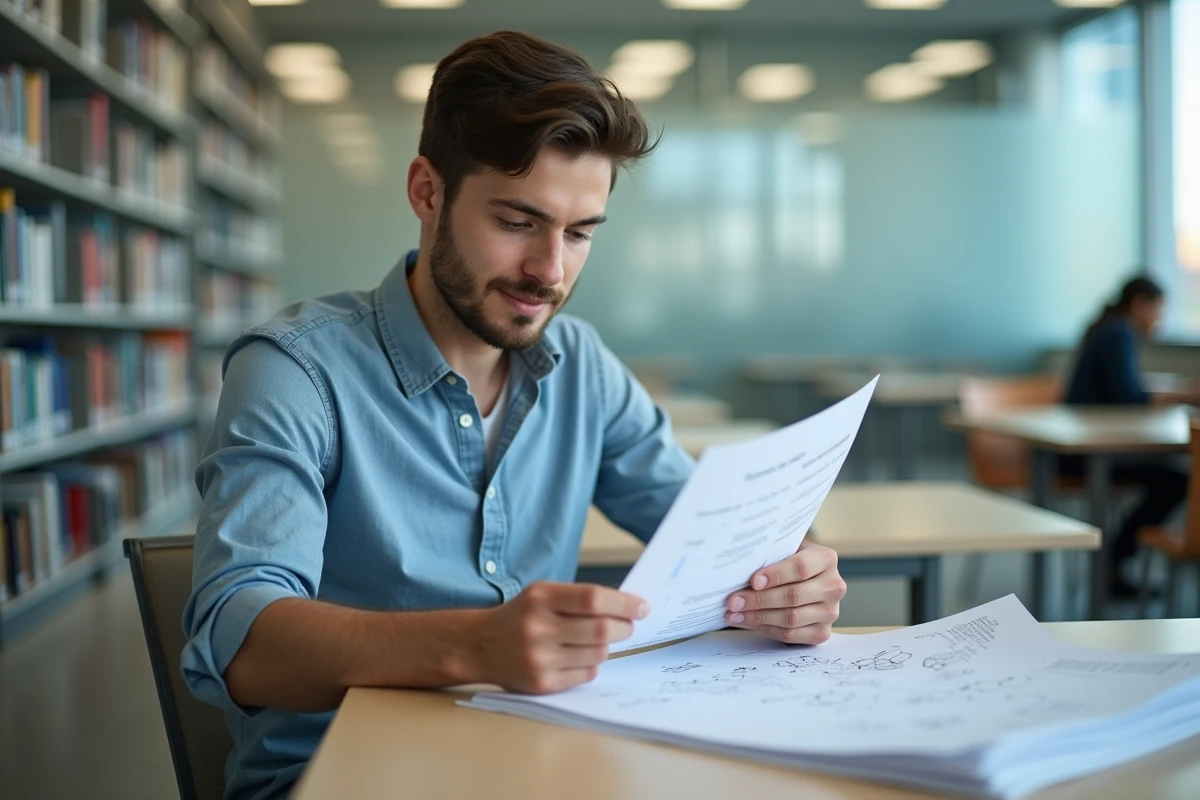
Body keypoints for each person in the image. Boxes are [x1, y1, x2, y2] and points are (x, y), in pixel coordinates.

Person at [182, 31, 847, 800]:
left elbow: (723, 534)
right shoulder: (295, 371)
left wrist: (793, 572)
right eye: (518, 222)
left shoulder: (585, 366)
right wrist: (474, 646)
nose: (550, 271)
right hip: (340, 778)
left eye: (579, 233)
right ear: (427, 192)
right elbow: (242, 644)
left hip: (546, 765)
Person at [1062, 276, 1188, 597]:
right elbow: (1128, 397)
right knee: (1175, 480)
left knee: (1172, 475)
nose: (1159, 321)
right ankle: (1113, 561)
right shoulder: (1117, 333)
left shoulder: (1110, 329)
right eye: (1157, 311)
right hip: (1086, 453)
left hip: (1095, 445)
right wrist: (1177, 395)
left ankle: (1114, 561)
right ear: (1140, 305)